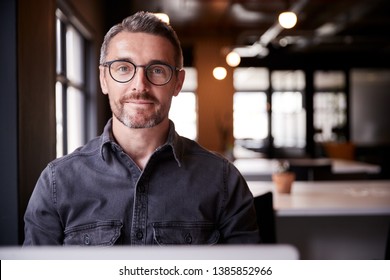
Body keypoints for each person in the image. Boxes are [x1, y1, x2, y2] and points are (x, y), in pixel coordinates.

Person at [23, 11, 259, 245]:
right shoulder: (57, 182)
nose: (140, 85)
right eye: (124, 68)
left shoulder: (223, 180)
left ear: (178, 83)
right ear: (104, 79)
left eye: (157, 70)